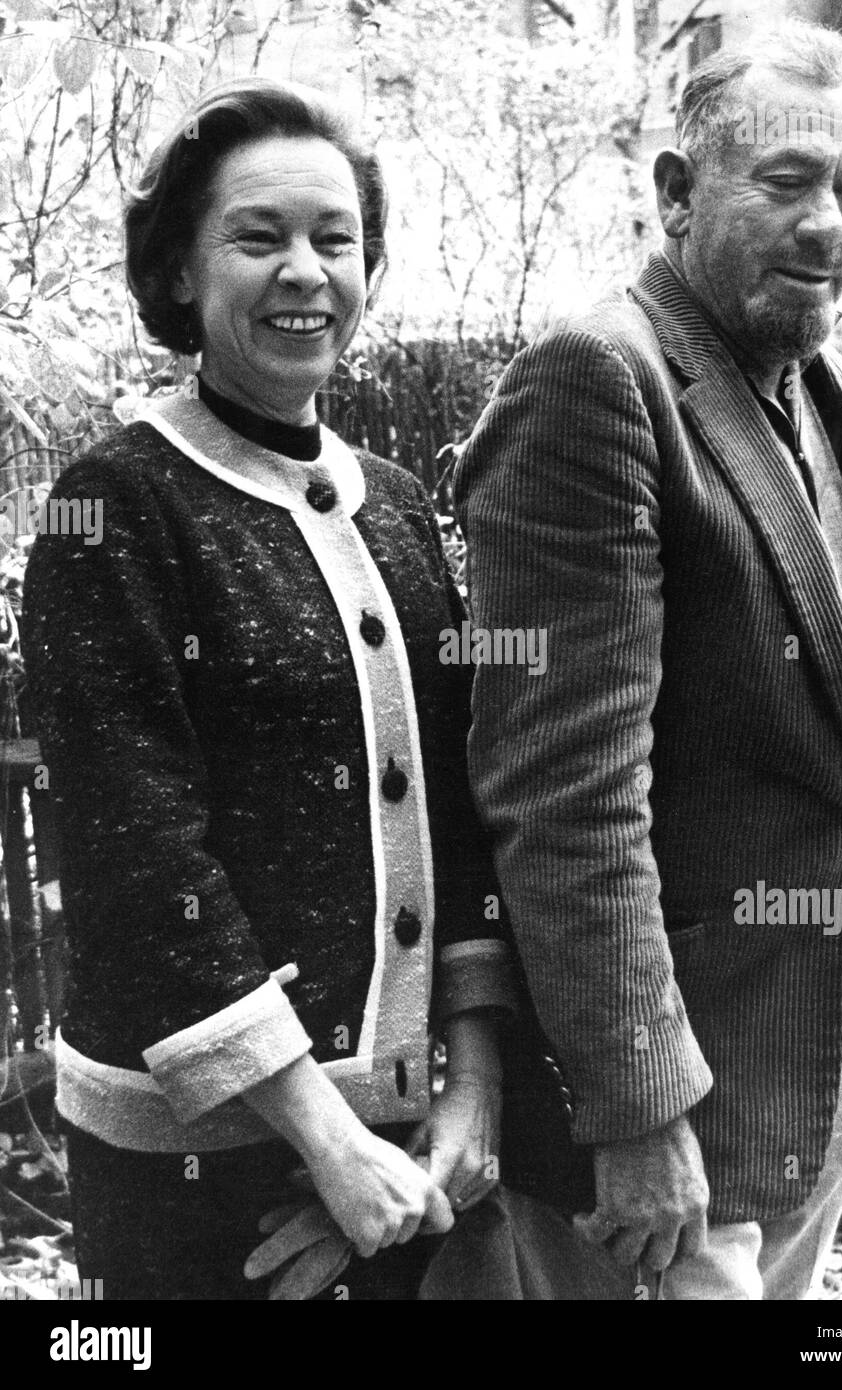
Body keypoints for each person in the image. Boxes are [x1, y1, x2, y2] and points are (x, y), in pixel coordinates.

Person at [454, 20, 842, 1301]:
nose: (826, 224)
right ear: (676, 191)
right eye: (784, 182)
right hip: (667, 1117)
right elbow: (562, 796)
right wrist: (634, 1112)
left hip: (808, 1051)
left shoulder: (807, 375)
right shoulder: (594, 382)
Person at [23, 77, 516, 1301]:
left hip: (402, 1154)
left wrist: (474, 1084)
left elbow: (457, 810)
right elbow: (138, 860)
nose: (306, 270)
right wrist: (324, 1136)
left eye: (334, 239)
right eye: (259, 237)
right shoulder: (114, 509)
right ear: (182, 273)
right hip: (198, 1175)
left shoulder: (397, 504)